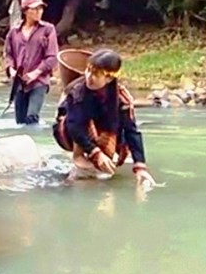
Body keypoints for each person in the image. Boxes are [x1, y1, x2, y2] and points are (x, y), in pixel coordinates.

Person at [52, 48, 157, 186]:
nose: (89, 76)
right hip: (69, 130)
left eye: (95, 74)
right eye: (88, 70)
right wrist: (95, 152)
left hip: (100, 129)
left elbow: (131, 131)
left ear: (109, 78)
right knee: (81, 121)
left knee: (119, 131)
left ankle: (101, 157)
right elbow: (73, 125)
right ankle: (79, 156)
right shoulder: (77, 91)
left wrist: (140, 166)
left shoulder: (122, 99)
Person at [3, 0, 59, 124]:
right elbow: (8, 54)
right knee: (20, 121)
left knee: (32, 116)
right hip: (19, 83)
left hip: (39, 81)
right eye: (34, 9)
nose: (38, 12)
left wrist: (36, 73)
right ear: (25, 11)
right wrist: (11, 70)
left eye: (40, 8)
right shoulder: (14, 32)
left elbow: (52, 57)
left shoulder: (48, 29)